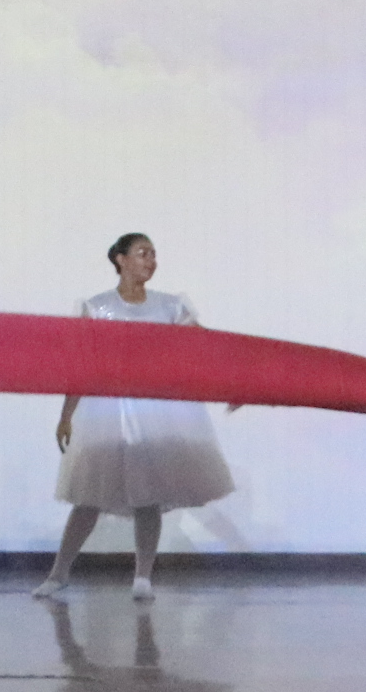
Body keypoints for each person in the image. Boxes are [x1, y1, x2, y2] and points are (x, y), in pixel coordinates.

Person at [34, 233, 233, 601]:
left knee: (148, 495)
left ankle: (143, 576)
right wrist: (66, 416)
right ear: (121, 259)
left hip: (156, 409)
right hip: (108, 411)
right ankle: (59, 573)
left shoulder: (170, 306)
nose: (151, 261)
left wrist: (234, 381)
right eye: (143, 253)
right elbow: (81, 366)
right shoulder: (97, 307)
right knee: (89, 497)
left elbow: (203, 346)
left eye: (154, 254)